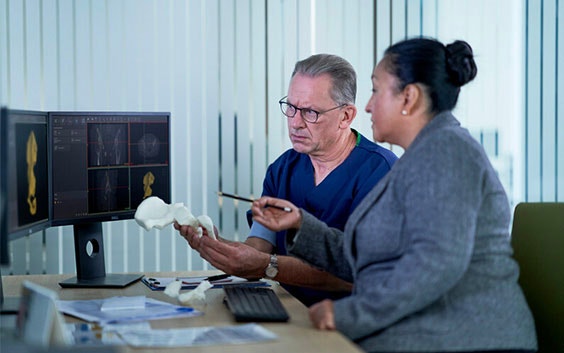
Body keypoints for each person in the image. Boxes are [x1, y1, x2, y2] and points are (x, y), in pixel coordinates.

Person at [250, 38, 537, 352]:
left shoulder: (447, 151)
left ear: (409, 97)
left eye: (375, 90)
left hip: (468, 340)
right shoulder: (419, 157)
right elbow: (368, 255)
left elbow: (435, 265)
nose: (369, 106)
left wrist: (348, 314)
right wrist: (300, 225)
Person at [175, 54, 398, 306]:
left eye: (310, 112)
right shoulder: (283, 168)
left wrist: (267, 267)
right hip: (287, 309)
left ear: (346, 116)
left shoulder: (380, 172)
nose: (295, 122)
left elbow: (361, 273)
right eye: (290, 107)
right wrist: (217, 245)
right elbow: (259, 250)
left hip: (346, 323)